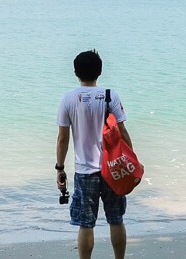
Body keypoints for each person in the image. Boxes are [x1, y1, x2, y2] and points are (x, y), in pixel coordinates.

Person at [56, 50, 134, 259]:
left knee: (85, 224)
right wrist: (132, 161)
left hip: (84, 172)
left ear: (75, 72)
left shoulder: (68, 99)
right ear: (100, 71)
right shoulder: (110, 95)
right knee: (116, 219)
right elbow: (123, 132)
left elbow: (63, 139)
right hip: (113, 169)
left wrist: (60, 168)